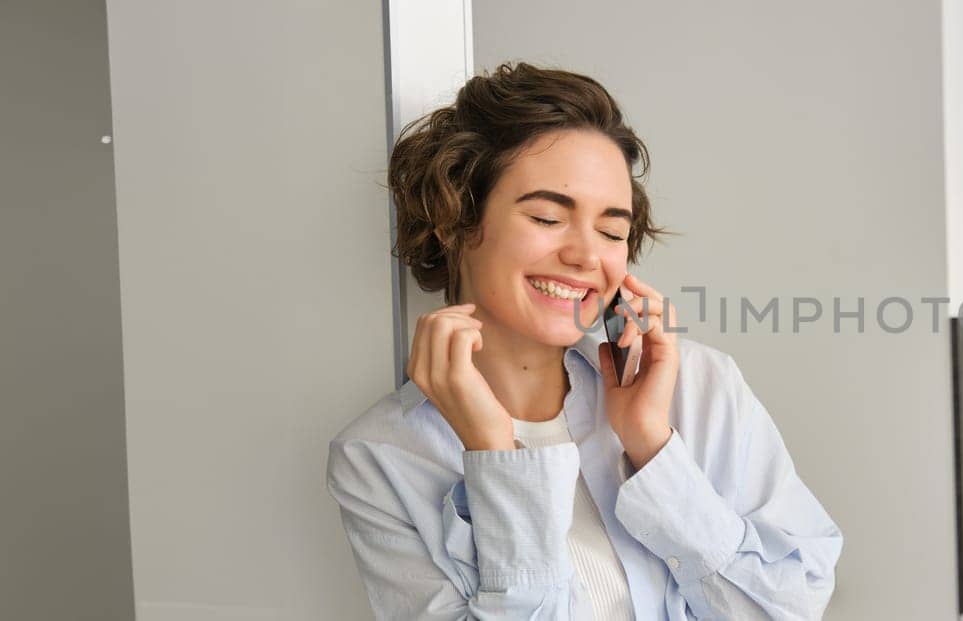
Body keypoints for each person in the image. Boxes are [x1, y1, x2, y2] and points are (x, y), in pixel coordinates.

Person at [325, 61, 842, 620]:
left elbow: (787, 610)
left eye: (612, 231)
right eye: (547, 217)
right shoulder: (380, 456)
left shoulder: (700, 387)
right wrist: (495, 457)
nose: (586, 256)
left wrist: (652, 448)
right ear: (454, 222)